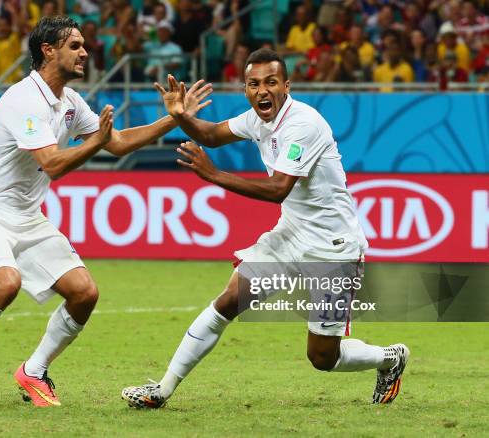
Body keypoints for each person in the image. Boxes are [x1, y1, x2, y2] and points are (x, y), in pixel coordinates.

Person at [0, 15, 205, 413]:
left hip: (27, 216)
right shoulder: (23, 99)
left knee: (84, 292)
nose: (84, 52)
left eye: (84, 45)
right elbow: (53, 163)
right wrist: (98, 142)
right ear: (48, 51)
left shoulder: (69, 102)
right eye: (75, 45)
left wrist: (173, 118)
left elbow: (119, 142)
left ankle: (33, 371)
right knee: (4, 283)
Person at [122, 48, 410, 409]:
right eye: (253, 84)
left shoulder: (303, 124)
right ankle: (162, 390)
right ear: (245, 89)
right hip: (289, 238)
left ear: (286, 86)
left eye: (271, 82)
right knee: (227, 302)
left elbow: (278, 189)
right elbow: (210, 135)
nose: (262, 91)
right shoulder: (258, 120)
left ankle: (390, 358)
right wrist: (180, 115)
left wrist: (213, 175)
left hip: (333, 249)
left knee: (323, 357)